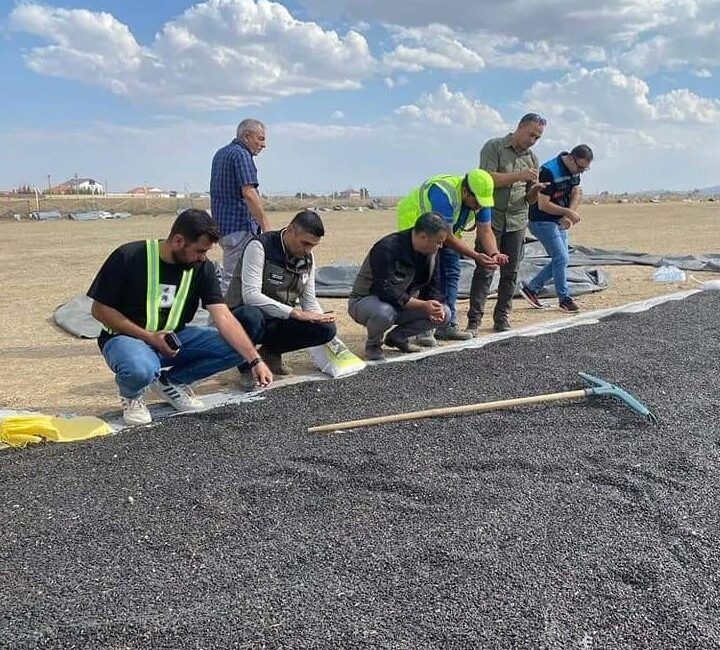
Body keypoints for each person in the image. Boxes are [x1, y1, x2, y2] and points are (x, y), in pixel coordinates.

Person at [87, 209, 273, 426]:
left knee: (240, 347)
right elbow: (99, 310)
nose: (203, 257)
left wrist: (255, 359)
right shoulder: (128, 256)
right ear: (178, 241)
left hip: (174, 338)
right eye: (199, 251)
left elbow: (223, 316)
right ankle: (132, 396)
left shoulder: (201, 267)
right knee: (141, 369)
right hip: (125, 339)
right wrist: (149, 337)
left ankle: (172, 382)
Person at [396, 169, 508, 343]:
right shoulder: (444, 194)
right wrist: (476, 256)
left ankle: (446, 325)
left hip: (443, 233)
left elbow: (485, 230)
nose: (479, 206)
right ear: (465, 192)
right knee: (429, 273)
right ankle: (423, 327)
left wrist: (494, 253)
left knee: (452, 273)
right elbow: (446, 236)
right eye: (476, 202)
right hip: (415, 226)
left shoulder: (480, 198)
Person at [226, 209, 337, 381]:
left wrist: (320, 318)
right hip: (244, 315)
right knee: (251, 315)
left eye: (313, 246)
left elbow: (309, 300)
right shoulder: (260, 246)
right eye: (305, 243)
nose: (308, 250)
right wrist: (294, 313)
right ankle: (246, 364)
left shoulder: (308, 258)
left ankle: (270, 353)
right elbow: (250, 295)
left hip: (278, 317)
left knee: (326, 329)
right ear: (291, 231)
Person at [467, 113, 547, 333]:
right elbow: (486, 179)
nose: (532, 140)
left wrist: (535, 191)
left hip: (517, 221)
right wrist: (519, 175)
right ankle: (474, 320)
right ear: (519, 127)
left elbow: (529, 198)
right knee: (485, 269)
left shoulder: (532, 159)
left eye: (537, 137)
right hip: (490, 218)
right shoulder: (494, 147)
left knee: (511, 272)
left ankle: (501, 318)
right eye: (531, 134)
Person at [348, 212, 452, 360]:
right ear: (423, 236)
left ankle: (398, 337)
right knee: (385, 312)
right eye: (438, 242)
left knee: (445, 313)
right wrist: (423, 305)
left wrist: (435, 306)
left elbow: (434, 286)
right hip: (368, 301)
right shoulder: (387, 248)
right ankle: (373, 344)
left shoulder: (431, 253)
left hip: (401, 304)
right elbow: (385, 290)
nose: (440, 246)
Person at [519, 145, 594, 313]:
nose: (581, 172)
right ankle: (564, 299)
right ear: (571, 159)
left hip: (558, 220)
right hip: (541, 221)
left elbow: (576, 191)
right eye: (580, 167)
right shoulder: (549, 171)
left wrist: (570, 214)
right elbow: (543, 205)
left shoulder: (575, 172)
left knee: (562, 259)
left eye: (585, 169)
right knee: (560, 257)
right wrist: (567, 212)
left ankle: (532, 289)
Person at [210, 118, 270, 294]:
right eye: (260, 139)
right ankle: (216, 321)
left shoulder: (221, 153)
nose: (263, 144)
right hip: (240, 227)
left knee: (236, 278)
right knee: (233, 280)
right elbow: (249, 193)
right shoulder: (241, 155)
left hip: (225, 227)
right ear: (246, 135)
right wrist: (266, 227)